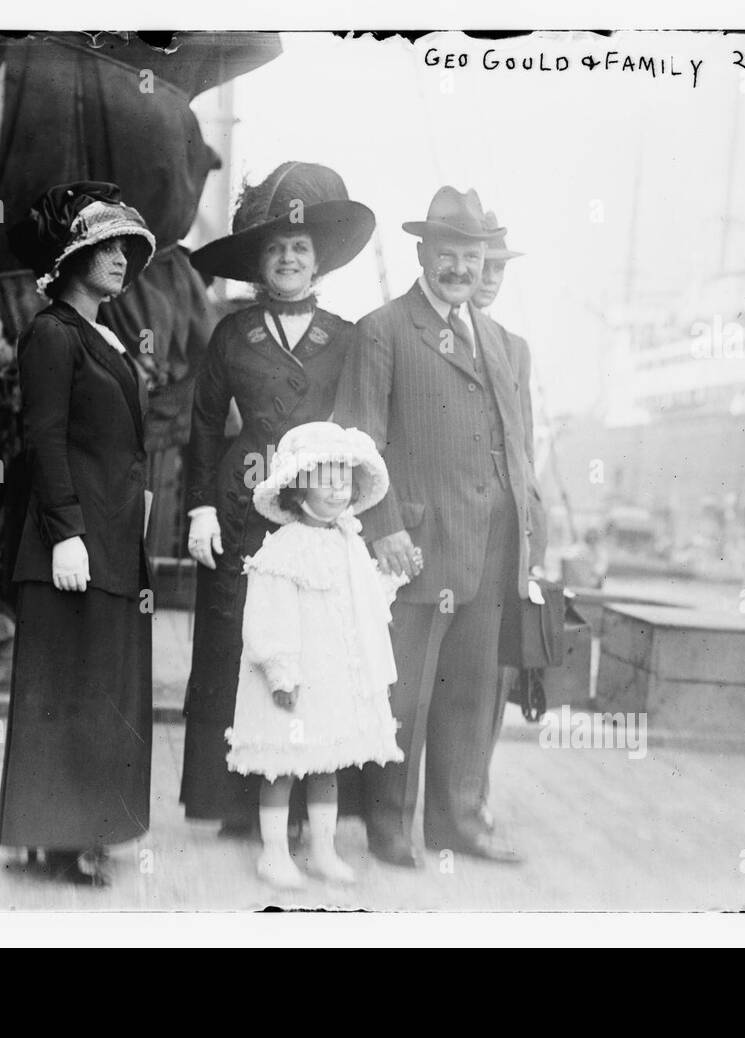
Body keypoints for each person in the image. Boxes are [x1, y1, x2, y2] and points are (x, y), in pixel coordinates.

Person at [332, 186, 538, 868]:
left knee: (472, 696)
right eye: (447, 253)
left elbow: (521, 454)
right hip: (414, 548)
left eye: (472, 256)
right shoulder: (384, 329)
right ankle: (389, 824)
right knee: (405, 695)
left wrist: (529, 546)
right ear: (423, 253)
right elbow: (361, 438)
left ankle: (459, 823)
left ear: (487, 260)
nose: (460, 268)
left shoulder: (510, 346)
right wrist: (384, 526)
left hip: (493, 549)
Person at [180, 162, 376, 836]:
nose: (288, 259)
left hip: (315, 515)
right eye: (276, 249)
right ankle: (236, 804)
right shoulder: (233, 333)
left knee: (313, 649)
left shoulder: (347, 338)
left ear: (318, 259)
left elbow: (356, 435)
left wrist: (347, 514)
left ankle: (310, 809)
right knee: (241, 642)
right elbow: (203, 424)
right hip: (241, 513)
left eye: (299, 248)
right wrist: (201, 508)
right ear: (260, 263)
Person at [0, 181, 157, 887]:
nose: (120, 257)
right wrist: (65, 532)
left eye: (125, 246)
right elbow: (45, 438)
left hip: (111, 539)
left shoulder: (103, 336)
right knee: (68, 692)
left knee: (101, 691)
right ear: (72, 254)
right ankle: (62, 840)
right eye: (105, 245)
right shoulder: (52, 332)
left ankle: (67, 830)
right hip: (74, 544)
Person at [227, 422, 406, 888]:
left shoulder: (349, 542)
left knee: (327, 762)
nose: (337, 490)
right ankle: (273, 853)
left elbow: (361, 600)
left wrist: (390, 582)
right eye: (325, 479)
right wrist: (281, 671)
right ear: (297, 487)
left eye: (343, 480)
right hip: (294, 677)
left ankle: (323, 849)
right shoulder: (284, 548)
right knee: (283, 764)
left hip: (330, 676)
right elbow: (269, 617)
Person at [469, 208, 550, 831]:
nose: (491, 277)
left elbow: (521, 448)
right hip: (443, 537)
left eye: (500, 268)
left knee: (492, 681)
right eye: (484, 265)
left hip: (503, 538)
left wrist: (533, 533)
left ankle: (476, 793)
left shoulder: (513, 350)